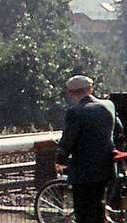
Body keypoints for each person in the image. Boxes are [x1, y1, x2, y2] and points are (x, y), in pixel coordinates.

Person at [56, 75, 123, 223]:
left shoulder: (75, 111)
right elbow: (119, 129)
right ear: (90, 89)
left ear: (71, 93)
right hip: (106, 168)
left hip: (84, 172)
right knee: (99, 208)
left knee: (84, 212)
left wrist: (60, 160)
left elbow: (69, 139)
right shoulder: (108, 105)